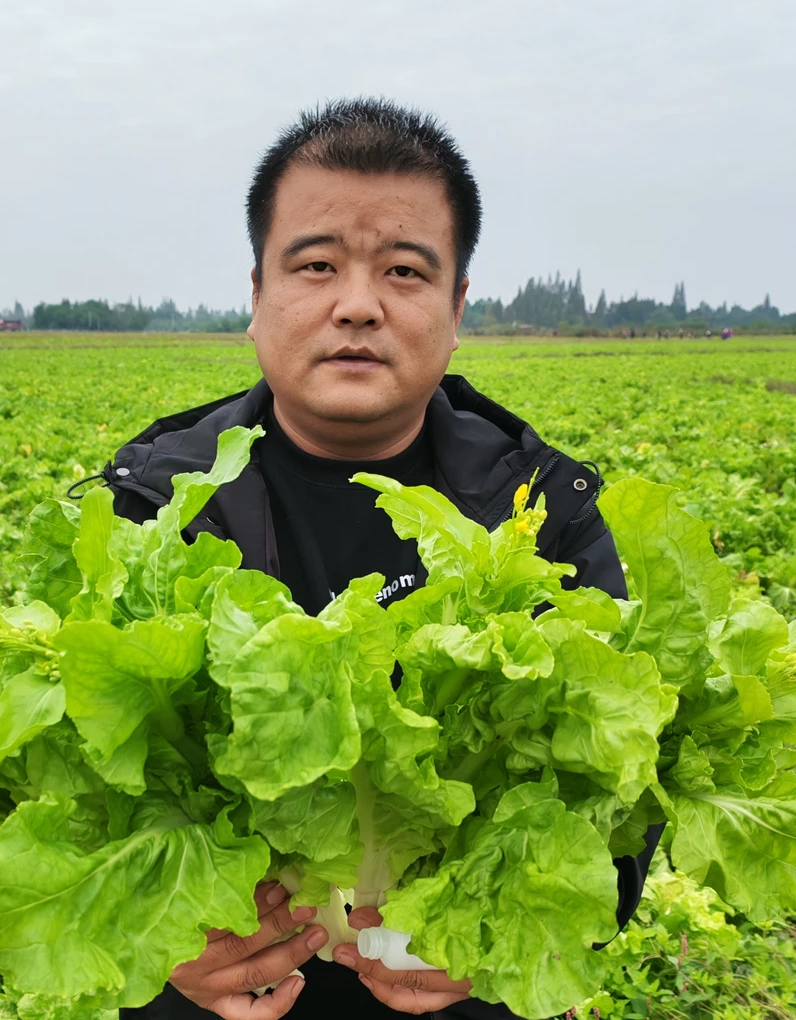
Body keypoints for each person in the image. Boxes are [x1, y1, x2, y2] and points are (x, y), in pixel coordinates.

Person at [106, 98, 659, 1019]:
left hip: (457, 992)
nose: (356, 304)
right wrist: (158, 937)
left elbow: (625, 799)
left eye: (404, 271)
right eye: (316, 265)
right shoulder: (155, 507)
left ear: (456, 309)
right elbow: (77, 801)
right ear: (256, 297)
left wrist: (515, 922)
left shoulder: (544, 516)